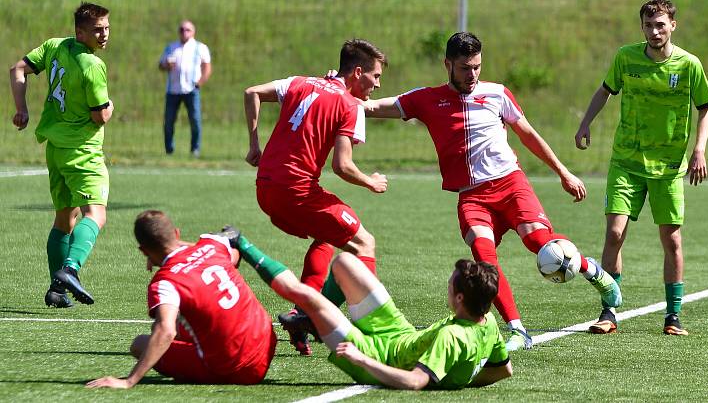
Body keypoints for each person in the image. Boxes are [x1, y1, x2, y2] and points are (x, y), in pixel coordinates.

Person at [356, 32, 622, 351]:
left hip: (511, 185)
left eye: (478, 67)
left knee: (540, 243)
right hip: (472, 196)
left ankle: (591, 269)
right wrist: (334, 89)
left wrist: (563, 172)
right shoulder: (427, 99)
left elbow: (528, 135)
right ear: (448, 65)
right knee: (485, 262)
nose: (473, 75)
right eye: (466, 68)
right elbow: (372, 107)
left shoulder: (497, 94)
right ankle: (517, 329)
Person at [574, 0, 708, 336]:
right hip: (627, 161)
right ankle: (608, 310)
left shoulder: (689, 65)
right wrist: (585, 123)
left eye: (661, 25)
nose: (654, 32)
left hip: (667, 167)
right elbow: (605, 90)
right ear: (642, 27)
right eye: (649, 26)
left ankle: (673, 316)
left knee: (672, 241)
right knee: (614, 233)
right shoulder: (626, 58)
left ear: (673, 26)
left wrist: (699, 150)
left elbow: (706, 107)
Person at [226, 227, 512, 390]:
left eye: (451, 284)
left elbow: (414, 382)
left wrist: (360, 360)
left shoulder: (454, 338)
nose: (447, 284)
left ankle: (240, 242)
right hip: (401, 334)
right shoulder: (486, 323)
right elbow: (504, 371)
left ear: (460, 298)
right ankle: (313, 322)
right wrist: (460, 378)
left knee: (307, 298)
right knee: (346, 262)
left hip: (376, 356)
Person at [243, 39, 388, 355]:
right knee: (364, 243)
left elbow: (252, 92)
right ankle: (369, 332)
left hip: (266, 187)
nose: (378, 84)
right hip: (296, 190)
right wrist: (371, 182)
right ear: (358, 71)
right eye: (375, 76)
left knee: (328, 236)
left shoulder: (301, 82)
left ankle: (303, 311)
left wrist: (255, 144)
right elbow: (343, 165)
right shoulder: (348, 105)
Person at [86, 210, 276, 388]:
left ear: (144, 251)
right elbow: (234, 255)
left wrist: (129, 381)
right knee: (179, 322)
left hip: (239, 370)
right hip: (266, 344)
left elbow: (166, 331)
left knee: (141, 343)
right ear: (177, 233)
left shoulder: (165, 282)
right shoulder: (213, 246)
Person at [9, 2, 114, 308]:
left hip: (55, 148)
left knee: (65, 219)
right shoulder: (93, 66)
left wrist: (22, 109)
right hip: (83, 151)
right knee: (96, 214)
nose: (104, 34)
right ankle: (70, 270)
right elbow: (99, 116)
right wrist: (111, 108)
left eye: (107, 27)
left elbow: (18, 68)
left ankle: (56, 290)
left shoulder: (54, 46)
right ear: (80, 32)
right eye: (97, 30)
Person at [158, 20, 212, 157]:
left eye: (187, 29)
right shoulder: (171, 47)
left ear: (193, 32)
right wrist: (166, 66)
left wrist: (200, 82)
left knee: (195, 120)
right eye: (182, 29)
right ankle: (169, 150)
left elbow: (207, 67)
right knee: (169, 121)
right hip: (173, 90)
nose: (184, 32)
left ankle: (195, 149)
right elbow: (161, 65)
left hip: (191, 90)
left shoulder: (200, 47)